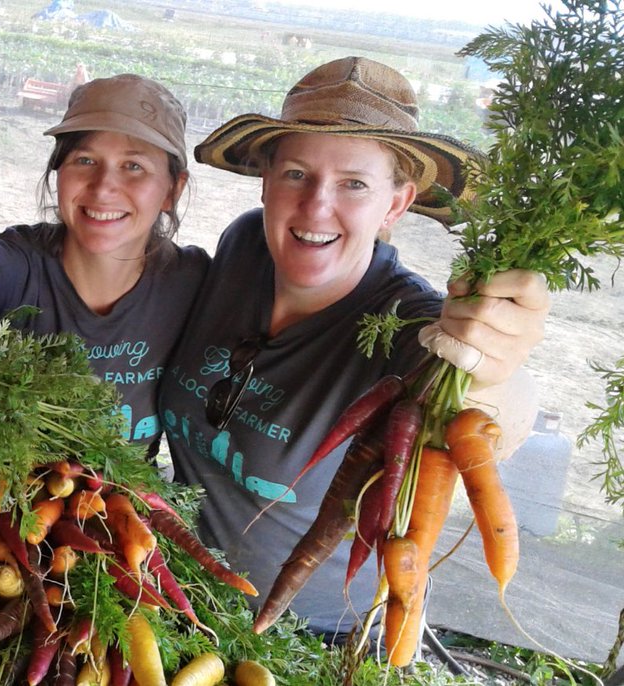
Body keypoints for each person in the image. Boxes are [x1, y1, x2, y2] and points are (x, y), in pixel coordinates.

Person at [157, 56, 550, 637]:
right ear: (266, 182)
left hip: (315, 637)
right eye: (295, 174)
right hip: (180, 592)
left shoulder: (408, 323)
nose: (316, 206)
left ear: (395, 203)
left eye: (354, 184)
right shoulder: (243, 247)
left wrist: (496, 373)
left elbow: (498, 410)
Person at [0, 74, 209, 450]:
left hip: (124, 507)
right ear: (59, 173)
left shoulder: (193, 282)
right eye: (85, 159)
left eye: (134, 166)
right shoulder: (15, 263)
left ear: (172, 190)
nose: (102, 186)